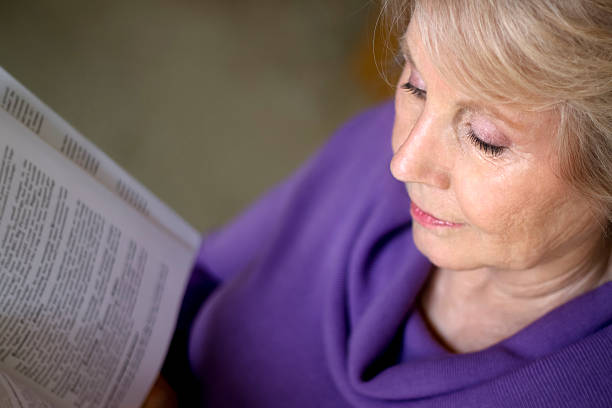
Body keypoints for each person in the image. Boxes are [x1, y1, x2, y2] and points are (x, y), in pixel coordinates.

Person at [150, 0, 612, 406]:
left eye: (484, 139)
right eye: (415, 85)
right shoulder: (372, 144)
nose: (403, 163)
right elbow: (197, 276)